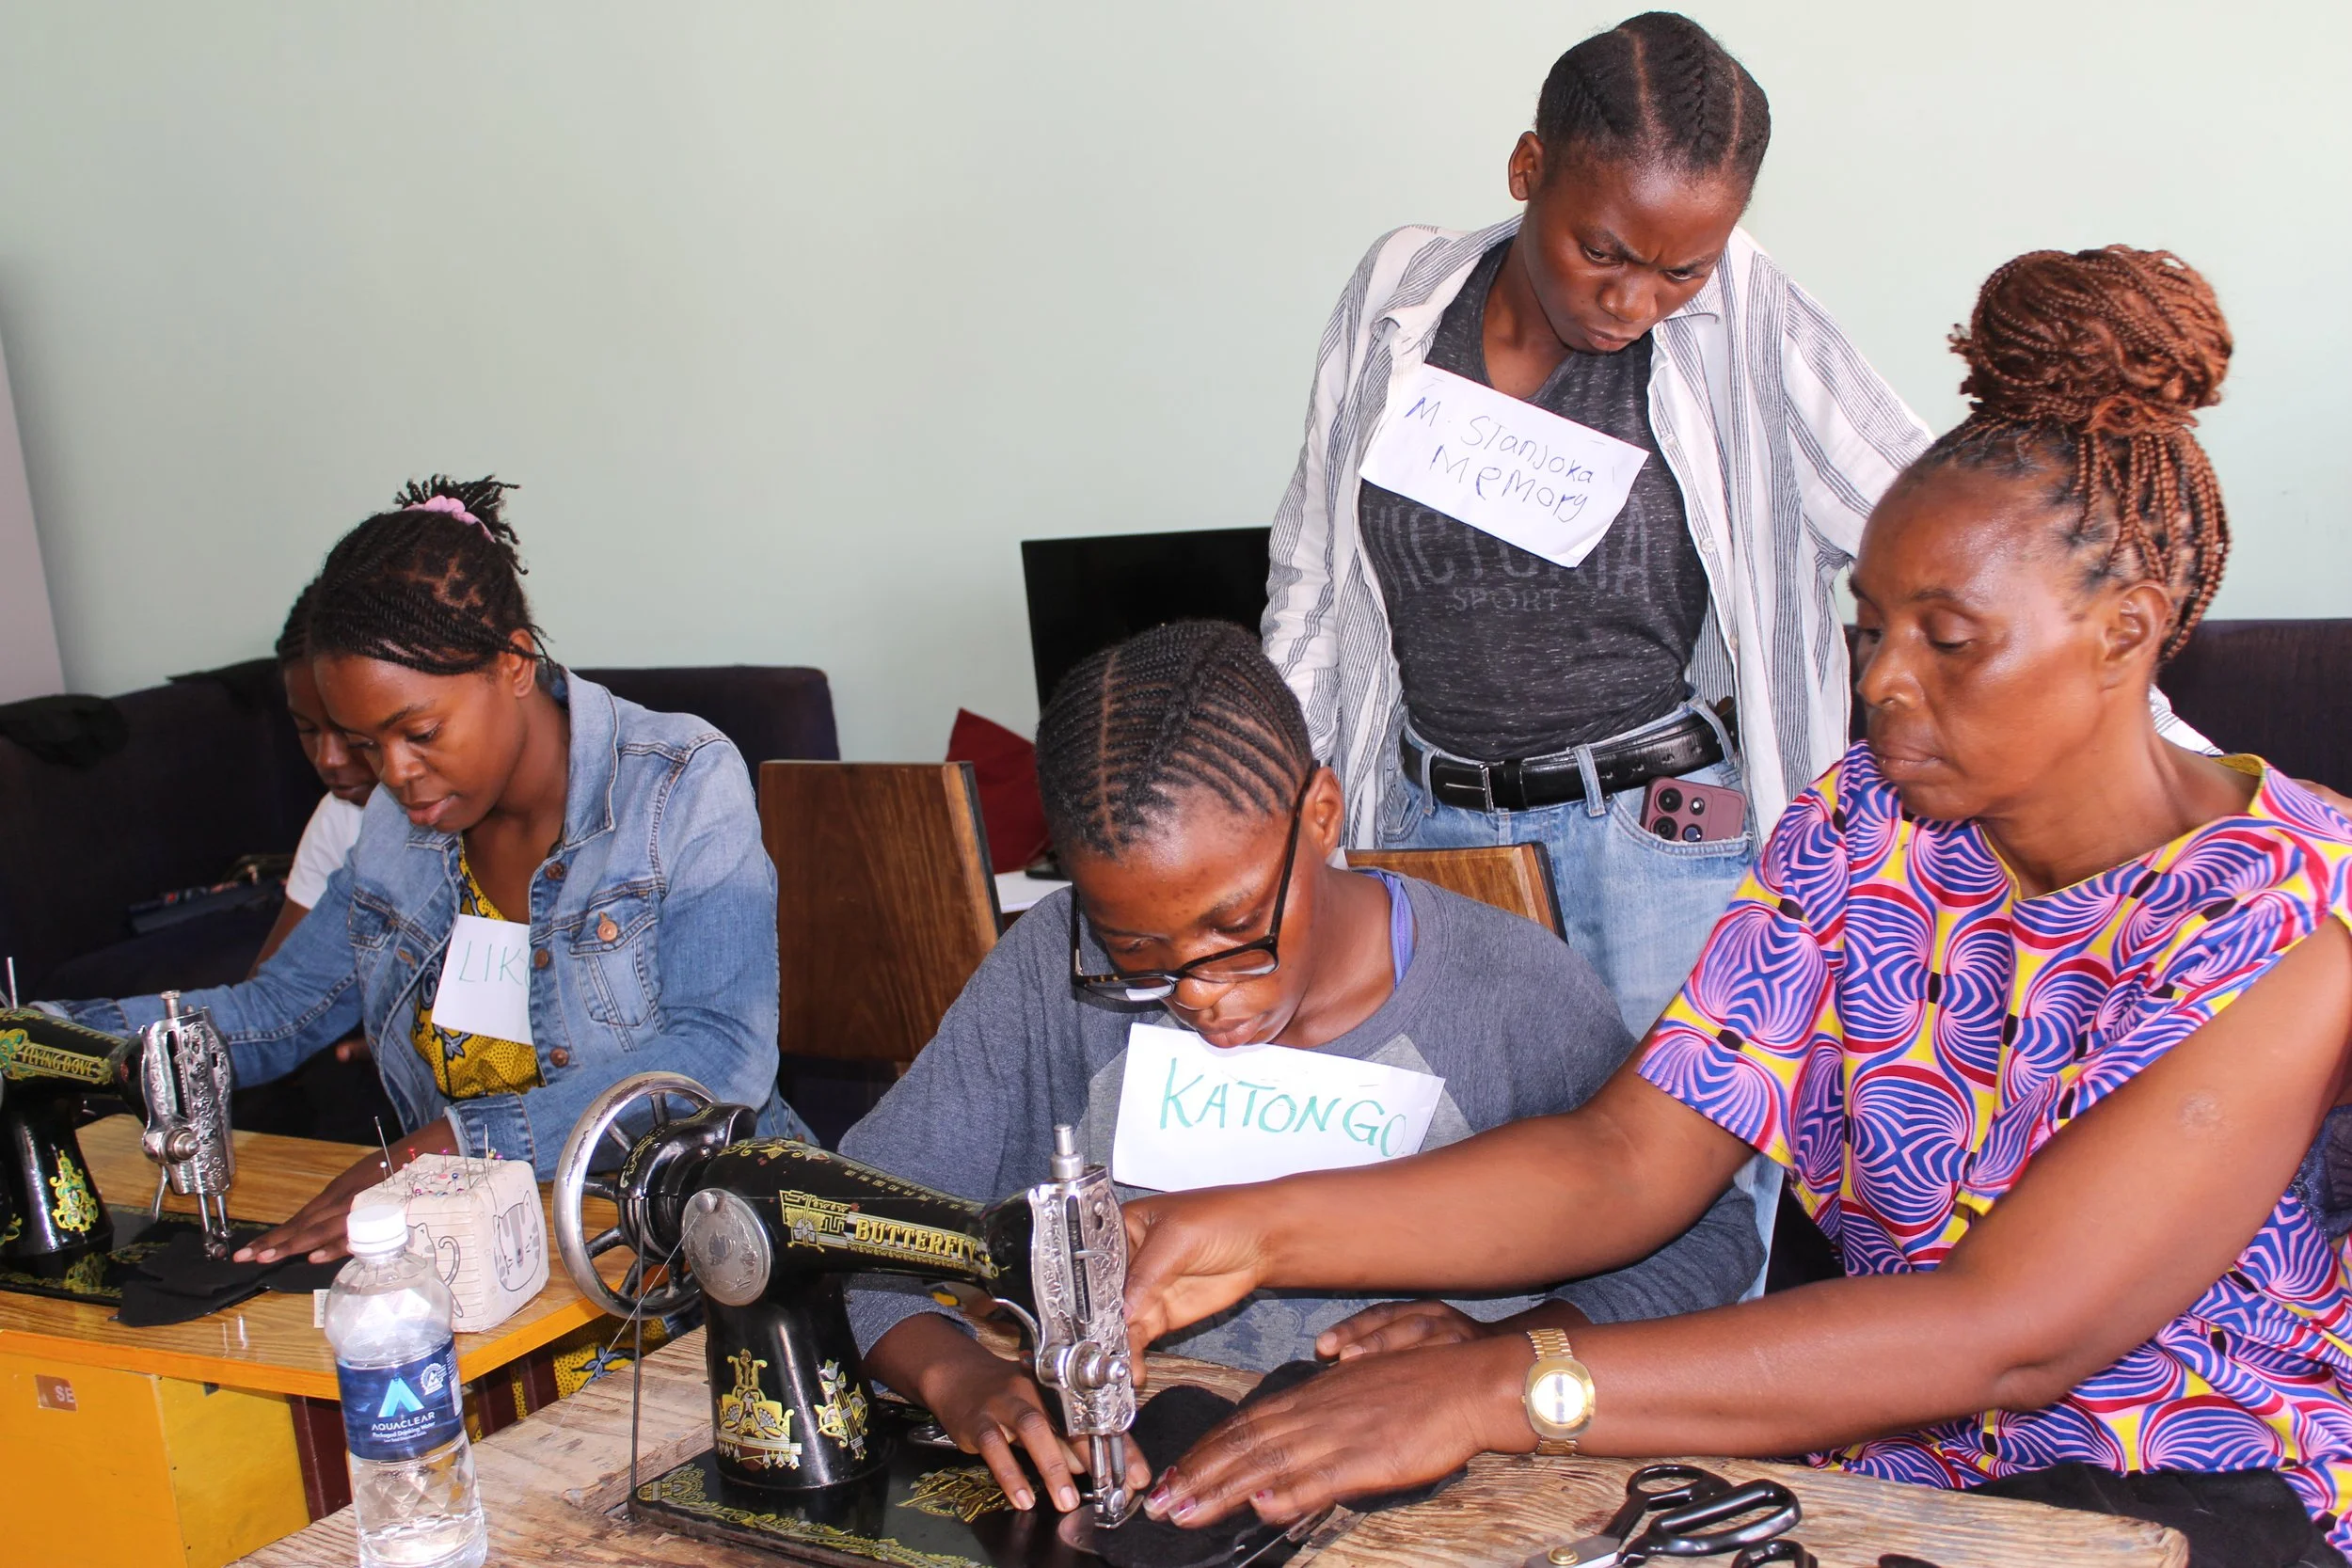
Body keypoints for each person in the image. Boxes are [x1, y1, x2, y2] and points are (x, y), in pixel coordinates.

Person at [1123, 249, 2352, 1568]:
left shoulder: (2295, 908)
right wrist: (1249, 1225)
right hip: (1884, 1467)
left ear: (2127, 630)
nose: (1880, 679)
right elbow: (1630, 1158)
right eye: (1867, 623)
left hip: (2206, 1495)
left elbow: (2016, 1324)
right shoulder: (1859, 826)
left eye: (1948, 638)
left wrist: (1507, 1384)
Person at [1264, 11, 2207, 1040]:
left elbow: (1981, 547)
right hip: (1427, 827)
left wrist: (2196, 784)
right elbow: (1313, 575)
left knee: (1679, 1187)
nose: (1633, 301)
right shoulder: (1400, 294)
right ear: (1527, 166)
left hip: (1659, 846)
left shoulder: (1751, 323)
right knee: (1472, 1172)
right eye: (1602, 251)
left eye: (1682, 270)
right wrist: (1283, 812)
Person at [839, 620, 1760, 1515]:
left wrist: (1500, 1345)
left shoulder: (1505, 993)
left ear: (1321, 816)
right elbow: (854, 1222)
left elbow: (1707, 1239)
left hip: (1464, 1501)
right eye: (1134, 949)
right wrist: (954, 1372)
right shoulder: (1052, 971)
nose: (1195, 992)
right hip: (1166, 1486)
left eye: (1235, 931)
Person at [50, 477, 808, 1263]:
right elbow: (277, 1010)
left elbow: (723, 1057)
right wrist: (56, 1038)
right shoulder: (401, 826)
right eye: (370, 744)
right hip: (489, 1249)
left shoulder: (677, 781)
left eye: (419, 730)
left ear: (514, 662)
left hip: (699, 1240)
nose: (396, 772)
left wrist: (446, 1150)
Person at [253, 579, 374, 969]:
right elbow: (275, 987)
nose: (329, 760)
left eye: (348, 731)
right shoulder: (342, 813)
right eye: (307, 730)